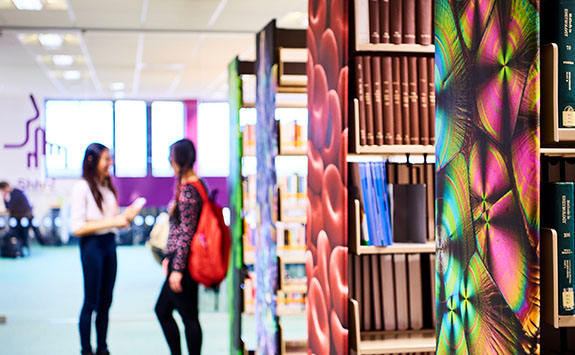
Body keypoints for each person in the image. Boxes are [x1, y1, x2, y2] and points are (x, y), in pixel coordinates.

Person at [69, 143, 142, 355]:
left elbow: (111, 219)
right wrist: (112, 222)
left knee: (106, 301)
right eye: (106, 159)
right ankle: (86, 349)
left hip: (110, 244)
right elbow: (77, 227)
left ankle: (103, 347)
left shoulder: (107, 186)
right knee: (90, 300)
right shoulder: (81, 187)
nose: (110, 163)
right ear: (92, 161)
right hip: (92, 246)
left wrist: (124, 217)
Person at [155, 139, 203, 355]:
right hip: (180, 259)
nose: (169, 161)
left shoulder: (189, 190)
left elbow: (186, 232)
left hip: (184, 263)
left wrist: (177, 269)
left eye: (171, 156)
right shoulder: (191, 185)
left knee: (185, 315)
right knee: (171, 311)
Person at [0, 181, 36, 254]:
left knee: (20, 235)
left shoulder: (16, 194)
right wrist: (4, 199)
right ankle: (21, 250)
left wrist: (5, 199)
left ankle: (21, 250)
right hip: (21, 218)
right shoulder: (16, 193)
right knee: (21, 235)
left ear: (5, 187)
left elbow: (9, 207)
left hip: (23, 218)